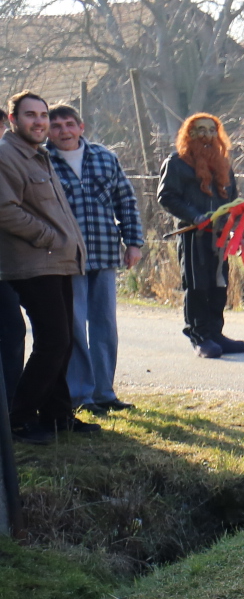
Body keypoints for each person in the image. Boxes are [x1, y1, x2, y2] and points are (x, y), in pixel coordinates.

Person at [0, 91, 94, 444]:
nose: (39, 121)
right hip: (32, 263)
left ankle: (57, 416)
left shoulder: (39, 156)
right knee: (53, 341)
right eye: (30, 115)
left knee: (62, 341)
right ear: (13, 120)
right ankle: (19, 420)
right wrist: (48, 237)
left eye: (43, 115)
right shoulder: (6, 156)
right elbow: (5, 209)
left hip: (57, 262)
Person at [45, 102, 143, 412]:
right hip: (64, 258)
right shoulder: (41, 161)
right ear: (48, 130)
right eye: (56, 126)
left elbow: (126, 201)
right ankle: (81, 396)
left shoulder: (104, 157)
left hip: (103, 253)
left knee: (105, 326)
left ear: (81, 127)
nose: (64, 131)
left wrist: (134, 242)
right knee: (73, 328)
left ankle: (104, 393)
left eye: (69, 125)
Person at [158, 113, 244, 360]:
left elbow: (234, 202)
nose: (206, 135)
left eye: (211, 130)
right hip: (193, 236)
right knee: (197, 285)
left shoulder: (224, 164)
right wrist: (194, 216)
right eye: (200, 130)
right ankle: (200, 337)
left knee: (219, 284)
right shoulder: (176, 163)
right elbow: (167, 197)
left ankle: (215, 333)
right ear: (190, 134)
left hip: (220, 237)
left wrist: (236, 228)